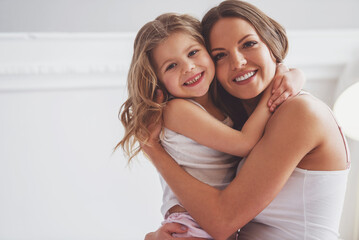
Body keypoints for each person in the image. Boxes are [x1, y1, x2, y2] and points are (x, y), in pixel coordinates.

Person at [143, 1, 350, 239]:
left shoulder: (300, 112)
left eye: (249, 44)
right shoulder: (245, 119)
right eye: (220, 55)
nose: (238, 62)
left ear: (272, 43)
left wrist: (153, 149)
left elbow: (221, 222)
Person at [116, 12, 305, 239]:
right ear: (157, 80)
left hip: (215, 221)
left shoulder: (223, 103)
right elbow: (244, 143)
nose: (188, 67)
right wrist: (278, 82)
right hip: (190, 225)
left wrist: (294, 75)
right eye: (171, 66)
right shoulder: (177, 110)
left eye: (193, 53)